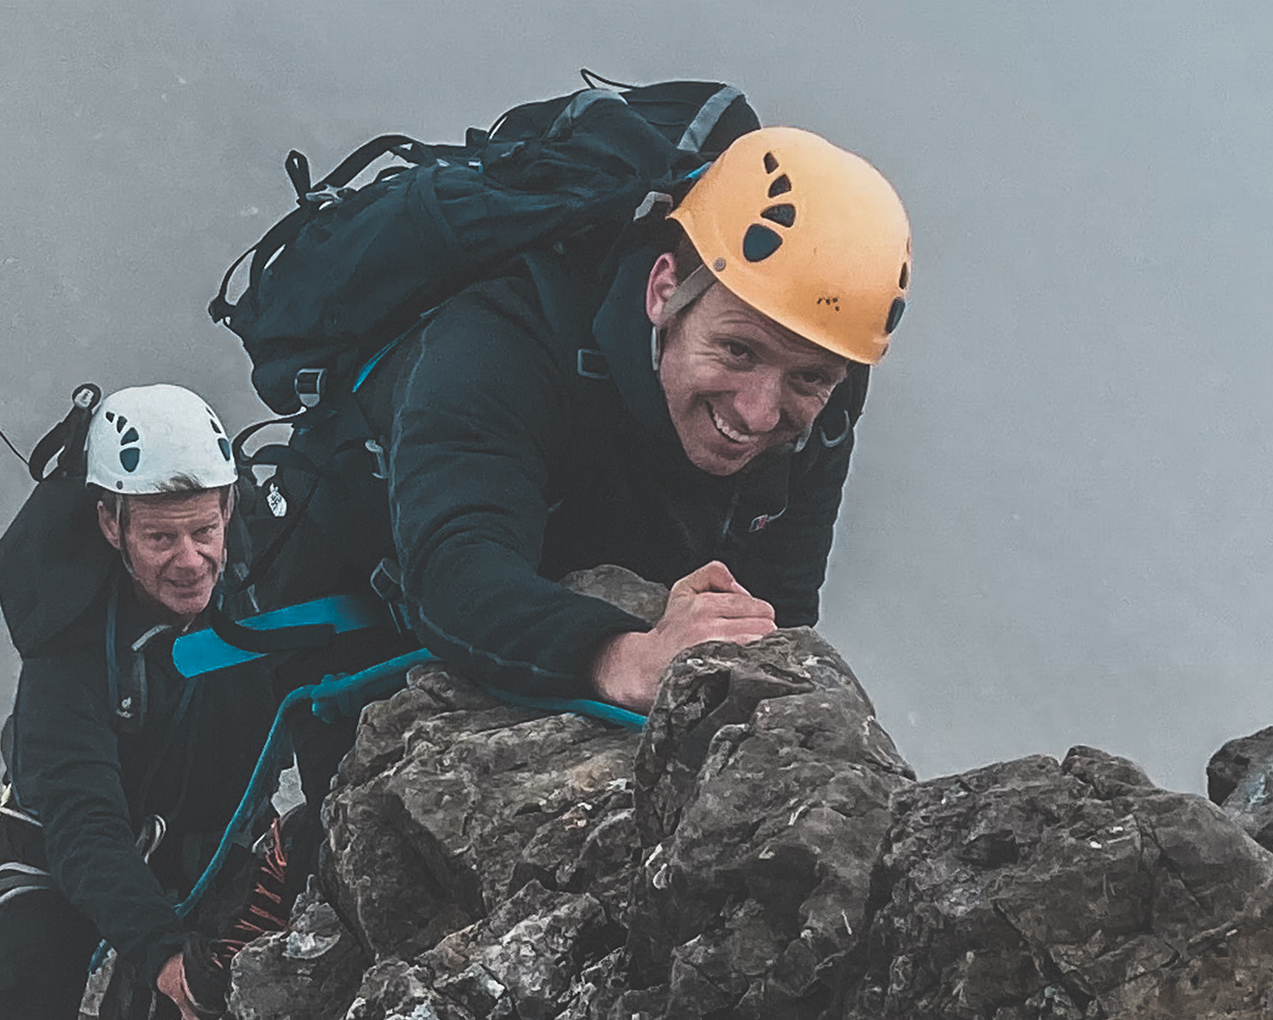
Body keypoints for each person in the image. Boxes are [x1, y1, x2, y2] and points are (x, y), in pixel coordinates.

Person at [358, 124, 912, 712]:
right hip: (348, 609)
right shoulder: (502, 347)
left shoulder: (823, 401)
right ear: (665, 290)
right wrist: (624, 658)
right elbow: (457, 567)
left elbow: (777, 608)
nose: (758, 413)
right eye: (737, 350)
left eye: (809, 378)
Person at [0, 382, 284, 1020]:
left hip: (214, 835)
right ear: (110, 524)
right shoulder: (69, 644)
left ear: (230, 509)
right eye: (161, 540)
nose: (191, 562)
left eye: (205, 531)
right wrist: (163, 953)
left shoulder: (266, 584)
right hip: (61, 848)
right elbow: (81, 826)